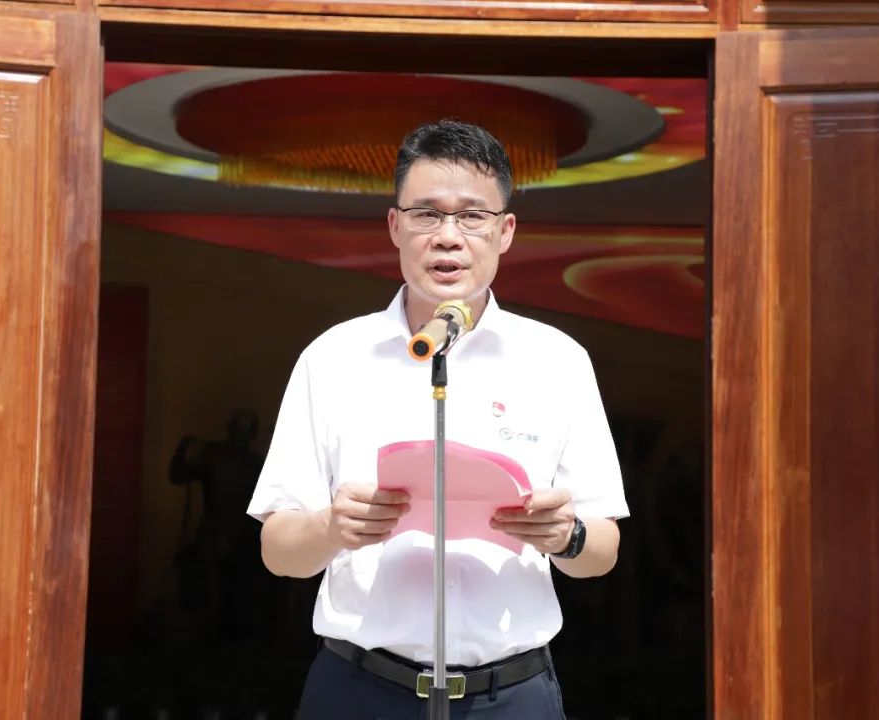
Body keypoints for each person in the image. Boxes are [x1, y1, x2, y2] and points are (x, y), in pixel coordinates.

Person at [246, 119, 629, 719]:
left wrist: (567, 535)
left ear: (505, 231)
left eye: (472, 216)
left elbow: (602, 550)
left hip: (511, 696)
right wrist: (331, 528)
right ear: (394, 226)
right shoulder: (333, 357)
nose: (448, 237)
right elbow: (278, 551)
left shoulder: (558, 361)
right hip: (359, 689)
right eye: (426, 214)